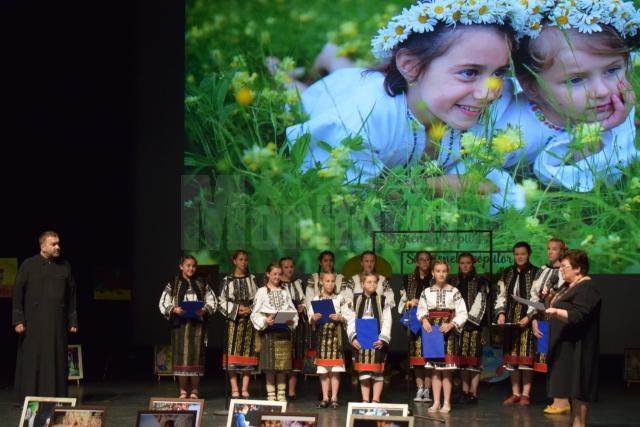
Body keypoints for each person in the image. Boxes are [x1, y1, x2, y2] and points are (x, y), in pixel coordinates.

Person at [285, 0, 522, 211]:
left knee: (363, 74)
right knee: (298, 94)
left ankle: (334, 56)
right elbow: (337, 191)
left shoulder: (479, 109)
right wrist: (432, 186)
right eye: (469, 72)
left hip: (387, 83)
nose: (488, 93)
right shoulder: (362, 118)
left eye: (499, 73)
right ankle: (288, 77)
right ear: (410, 65)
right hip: (338, 93)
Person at [481, 1, 639, 193]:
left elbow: (612, 175)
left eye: (612, 70)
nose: (603, 91)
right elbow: (548, 176)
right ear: (532, 87)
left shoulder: (614, 110)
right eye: (576, 80)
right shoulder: (512, 129)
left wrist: (602, 131)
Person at [12, 231, 78, 402]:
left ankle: (57, 398)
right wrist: (18, 319)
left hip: (57, 323)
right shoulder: (29, 265)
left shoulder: (64, 266)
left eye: (58, 243)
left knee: (56, 360)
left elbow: (72, 295)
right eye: (53, 244)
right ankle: (28, 399)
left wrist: (73, 320)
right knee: (33, 360)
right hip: (33, 322)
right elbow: (18, 292)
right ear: (43, 246)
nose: (58, 247)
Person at [544, 250, 601, 427]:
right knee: (570, 389)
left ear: (578, 269)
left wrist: (556, 311)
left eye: (564, 267)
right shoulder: (567, 286)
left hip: (579, 347)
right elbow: (552, 309)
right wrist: (548, 300)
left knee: (579, 389)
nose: (561, 270)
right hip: (565, 346)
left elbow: (578, 315)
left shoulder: (587, 288)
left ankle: (580, 424)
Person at [158, 255, 217, 398]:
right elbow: (163, 302)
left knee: (196, 358)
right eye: (188, 265)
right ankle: (183, 390)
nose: (191, 268)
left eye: (193, 266)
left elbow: (212, 300)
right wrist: (174, 309)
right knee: (181, 358)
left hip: (197, 326)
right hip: (180, 326)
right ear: (181, 266)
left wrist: (204, 309)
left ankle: (195, 390)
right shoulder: (174, 282)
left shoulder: (202, 282)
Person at [417, 260, 468, 413]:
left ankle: (446, 402)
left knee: (446, 370)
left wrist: (452, 324)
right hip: (432, 332)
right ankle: (436, 402)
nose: (441, 274)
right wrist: (424, 319)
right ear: (433, 273)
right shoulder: (426, 292)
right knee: (434, 369)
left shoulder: (454, 291)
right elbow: (421, 309)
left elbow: (462, 313)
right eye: (438, 271)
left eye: (444, 271)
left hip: (447, 332)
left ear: (447, 272)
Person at [495, 241, 539, 406]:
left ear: (529, 254)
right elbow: (501, 295)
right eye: (517, 254)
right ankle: (515, 393)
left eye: (523, 253)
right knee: (512, 358)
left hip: (528, 316)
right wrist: (500, 313)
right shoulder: (506, 273)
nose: (519, 257)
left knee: (526, 358)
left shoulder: (536, 272)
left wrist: (528, 317)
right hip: (510, 317)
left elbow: (537, 299)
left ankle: (526, 395)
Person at [529, 238, 569, 414]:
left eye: (554, 249)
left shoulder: (564, 272)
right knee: (547, 361)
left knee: (559, 358)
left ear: (562, 251)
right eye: (548, 249)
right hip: (543, 319)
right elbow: (533, 296)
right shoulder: (542, 271)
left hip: (558, 318)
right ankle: (556, 398)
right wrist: (533, 319)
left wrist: (551, 297)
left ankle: (563, 400)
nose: (550, 252)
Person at [251, 263, 298, 401]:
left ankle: (282, 394)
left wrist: (291, 320)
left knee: (282, 365)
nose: (277, 277)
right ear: (268, 274)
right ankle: (271, 394)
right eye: (274, 274)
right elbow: (255, 313)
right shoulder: (261, 291)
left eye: (279, 274)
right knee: (270, 366)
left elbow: (293, 311)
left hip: (283, 332)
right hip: (269, 333)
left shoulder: (285, 291)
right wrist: (265, 320)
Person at [308, 271, 353, 408]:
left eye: (333, 281)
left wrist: (340, 317)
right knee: (323, 370)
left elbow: (348, 315)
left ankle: (334, 397)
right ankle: (325, 397)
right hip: (322, 338)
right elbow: (311, 317)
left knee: (335, 369)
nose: (330, 284)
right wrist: (313, 319)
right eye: (327, 281)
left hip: (335, 338)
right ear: (321, 282)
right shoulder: (316, 299)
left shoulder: (340, 298)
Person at [218, 250, 259, 398]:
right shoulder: (227, 280)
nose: (243, 262)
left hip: (249, 321)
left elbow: (258, 298)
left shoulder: (252, 279)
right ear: (234, 261)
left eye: (246, 260)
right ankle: (235, 388)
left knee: (248, 353)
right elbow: (221, 301)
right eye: (240, 259)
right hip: (233, 322)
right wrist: (236, 309)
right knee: (232, 354)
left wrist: (250, 309)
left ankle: (245, 389)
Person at [450, 252, 489, 404]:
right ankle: (465, 391)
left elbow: (481, 303)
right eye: (462, 263)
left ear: (472, 264)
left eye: (468, 262)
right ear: (459, 264)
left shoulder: (480, 281)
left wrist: (469, 320)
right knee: (462, 360)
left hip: (474, 325)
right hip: (458, 324)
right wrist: (456, 321)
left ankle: (474, 392)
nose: (465, 265)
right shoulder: (454, 281)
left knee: (474, 359)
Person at [348, 272, 393, 403]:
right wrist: (353, 338)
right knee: (364, 371)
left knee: (377, 371)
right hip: (360, 340)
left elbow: (387, 320)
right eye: (369, 282)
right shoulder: (355, 300)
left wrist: (383, 338)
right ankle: (365, 399)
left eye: (375, 282)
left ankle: (376, 399)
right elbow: (350, 320)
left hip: (377, 340)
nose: (372, 284)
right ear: (362, 284)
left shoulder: (383, 300)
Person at [398, 250, 433, 402]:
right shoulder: (409, 279)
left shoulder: (434, 278)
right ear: (417, 262)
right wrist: (412, 302)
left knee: (430, 358)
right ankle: (419, 389)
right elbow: (403, 301)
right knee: (417, 359)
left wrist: (423, 303)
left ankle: (428, 389)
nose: (424, 262)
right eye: (421, 259)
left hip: (430, 321)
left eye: (427, 259)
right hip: (414, 321)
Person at [279, 257, 308, 400]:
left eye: (291, 266)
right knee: (284, 356)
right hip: (284, 323)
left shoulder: (298, 283)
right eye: (286, 267)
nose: (289, 269)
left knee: (296, 356)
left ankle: (291, 392)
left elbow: (304, 300)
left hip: (298, 325)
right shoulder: (277, 284)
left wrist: (303, 307)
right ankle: (281, 390)